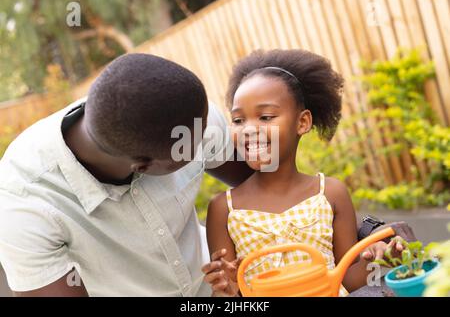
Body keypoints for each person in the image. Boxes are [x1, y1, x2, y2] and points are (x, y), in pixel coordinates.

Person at [0, 52, 414, 297]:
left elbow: (276, 194)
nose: (226, 137)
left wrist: (367, 233)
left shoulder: (189, 121)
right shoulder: (26, 206)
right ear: (147, 168)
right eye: (195, 146)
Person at [202, 49, 411, 297]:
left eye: (266, 117)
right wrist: (229, 290)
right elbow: (234, 295)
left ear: (302, 122)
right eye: (238, 121)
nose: (249, 130)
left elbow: (346, 280)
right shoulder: (223, 209)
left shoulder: (330, 193)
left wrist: (379, 261)